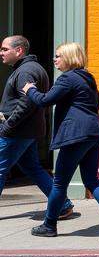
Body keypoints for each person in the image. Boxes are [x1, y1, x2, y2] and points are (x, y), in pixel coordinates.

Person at [21, 42, 99, 240]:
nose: (55, 59)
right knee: (91, 180)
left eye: (58, 56)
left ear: (69, 58)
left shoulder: (68, 78)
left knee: (59, 183)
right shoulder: (88, 78)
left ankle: (49, 225)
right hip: (93, 134)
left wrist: (29, 90)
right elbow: (97, 103)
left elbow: (45, 100)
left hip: (75, 135)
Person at [0, 36, 74, 219]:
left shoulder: (25, 71)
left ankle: (63, 204)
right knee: (32, 168)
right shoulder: (30, 69)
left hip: (17, 132)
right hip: (27, 131)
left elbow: (27, 103)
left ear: (19, 51)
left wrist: (7, 126)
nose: (1, 53)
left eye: (4, 49)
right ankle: (63, 205)